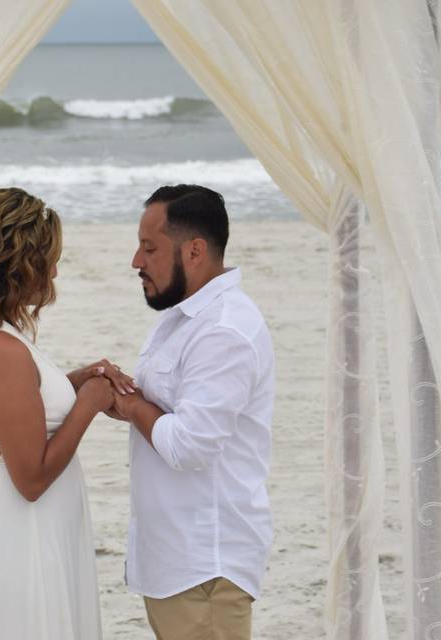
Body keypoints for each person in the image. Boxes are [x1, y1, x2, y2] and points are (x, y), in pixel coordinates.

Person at [0, 187, 133, 640]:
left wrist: (72, 380)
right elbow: (32, 477)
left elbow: (8, 409)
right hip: (21, 532)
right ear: (18, 265)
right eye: (49, 259)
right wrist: (90, 402)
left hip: (3, 518)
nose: (56, 271)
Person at [109, 185, 275, 640]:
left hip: (205, 567)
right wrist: (118, 397)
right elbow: (168, 410)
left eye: (150, 248)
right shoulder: (184, 317)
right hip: (177, 561)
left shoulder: (224, 330)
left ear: (195, 251)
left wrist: (130, 404)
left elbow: (189, 445)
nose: (136, 262)